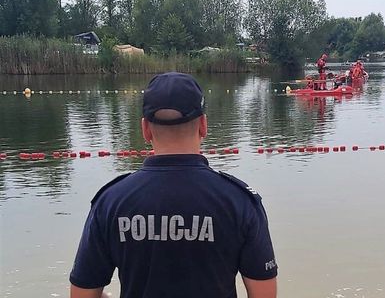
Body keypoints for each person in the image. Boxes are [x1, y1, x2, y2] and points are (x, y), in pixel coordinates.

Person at [69, 72, 278, 298]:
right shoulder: (239, 202)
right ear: (203, 126)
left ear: (145, 129)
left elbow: (82, 293)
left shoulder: (111, 202)